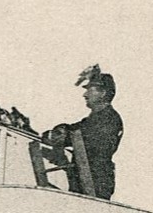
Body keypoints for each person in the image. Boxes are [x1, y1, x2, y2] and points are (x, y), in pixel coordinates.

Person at [43, 66, 123, 199]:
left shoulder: (109, 119)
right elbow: (74, 129)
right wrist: (59, 132)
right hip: (87, 179)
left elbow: (81, 136)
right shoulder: (95, 118)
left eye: (89, 90)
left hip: (95, 182)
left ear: (102, 93)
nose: (85, 95)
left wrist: (58, 135)